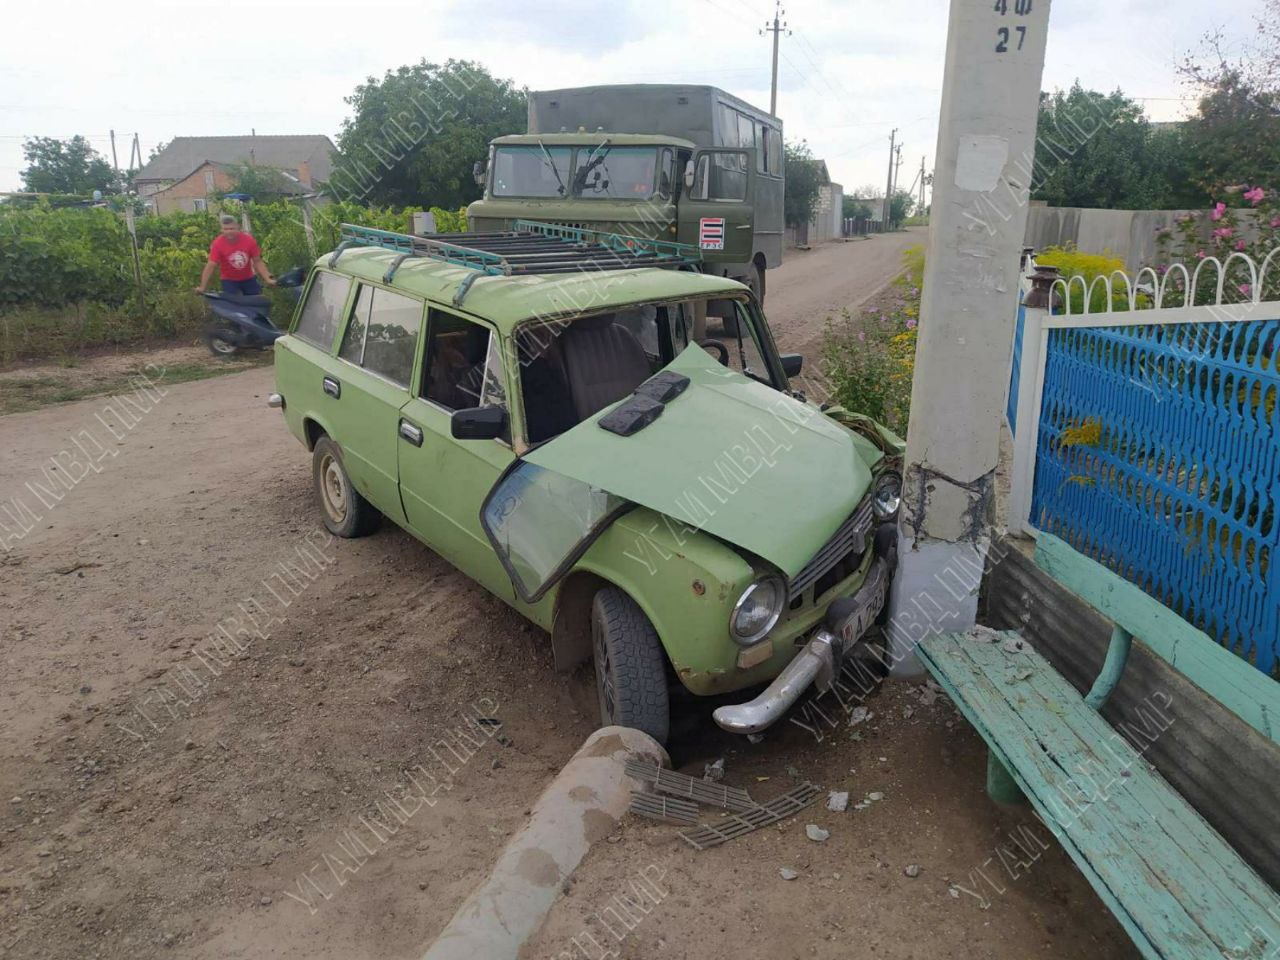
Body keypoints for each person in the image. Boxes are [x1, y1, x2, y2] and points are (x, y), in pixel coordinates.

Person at [195, 214, 276, 296]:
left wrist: (267, 279)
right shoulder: (217, 244)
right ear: (222, 230)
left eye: (231, 228)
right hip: (229, 280)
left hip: (248, 278)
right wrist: (202, 287)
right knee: (232, 304)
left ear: (237, 227)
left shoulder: (249, 240)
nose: (229, 232)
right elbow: (211, 265)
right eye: (225, 229)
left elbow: (257, 261)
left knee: (255, 300)